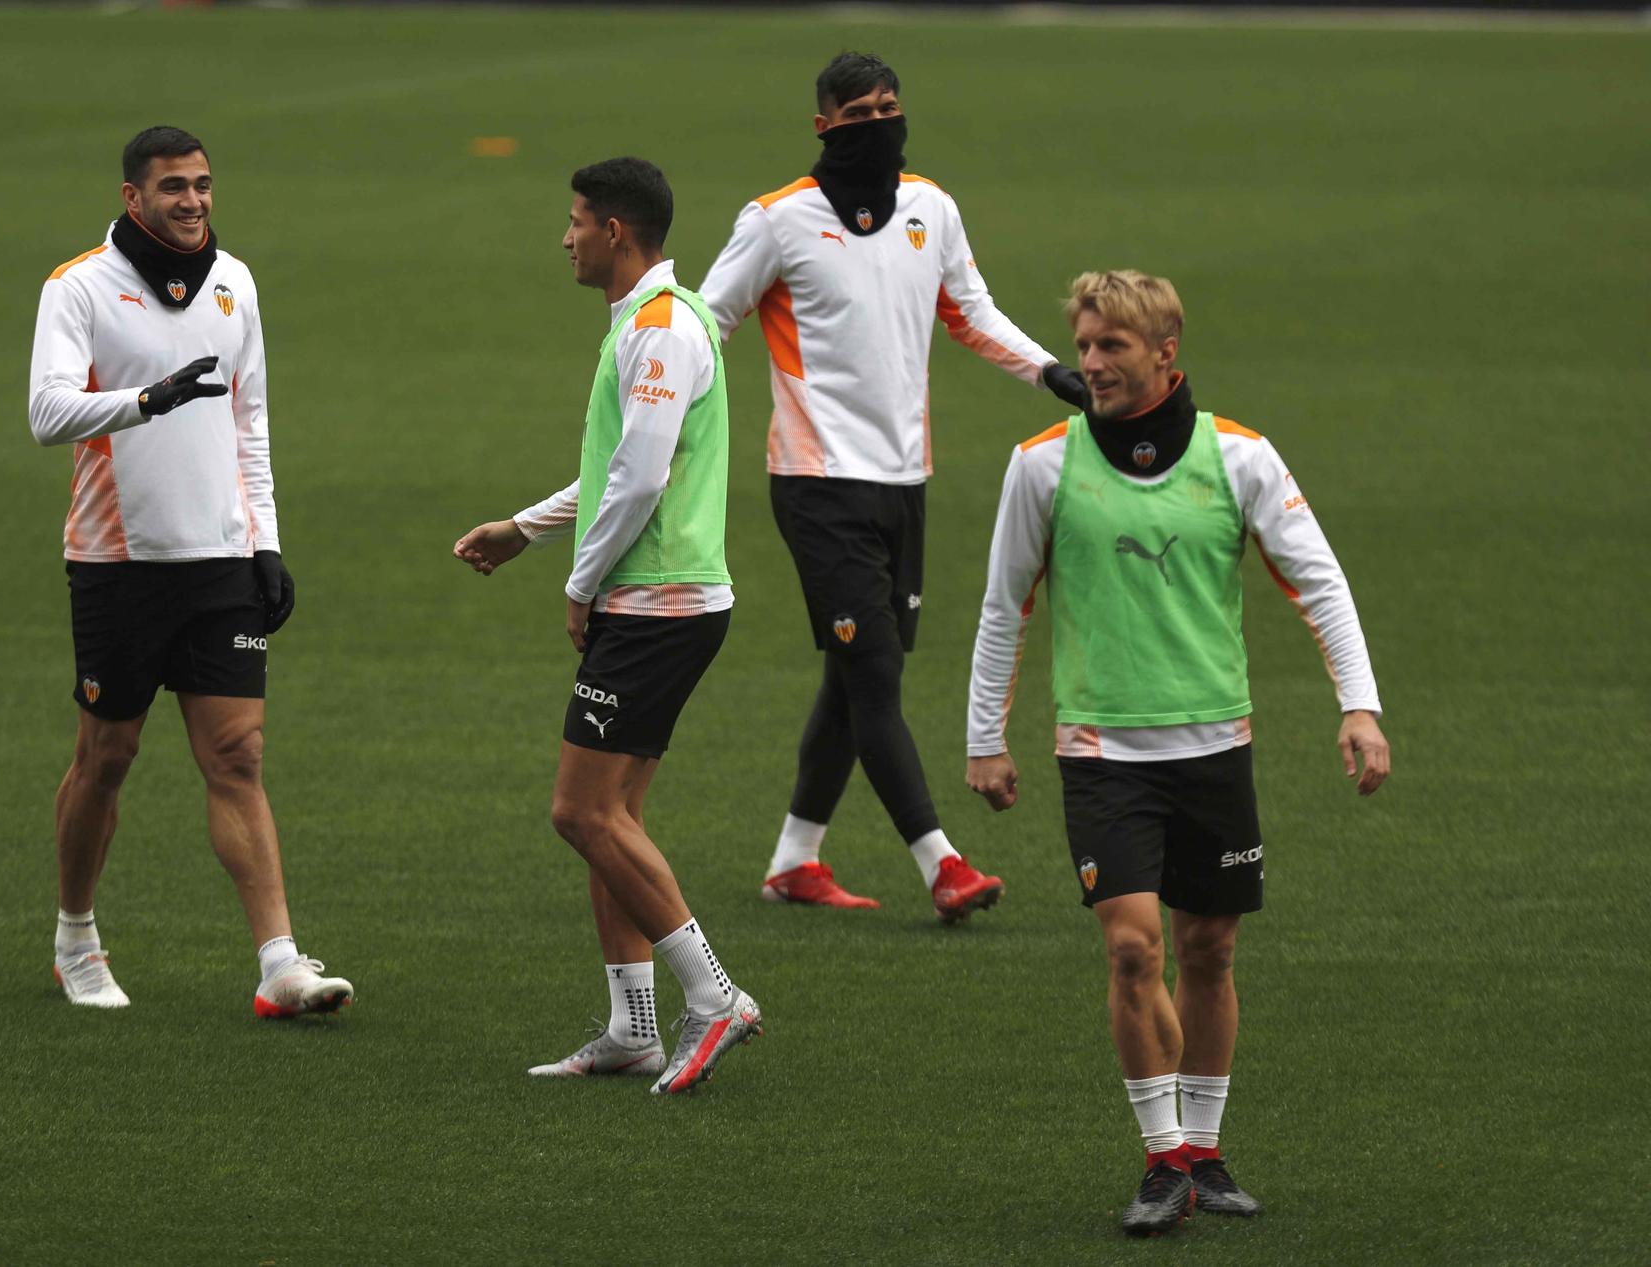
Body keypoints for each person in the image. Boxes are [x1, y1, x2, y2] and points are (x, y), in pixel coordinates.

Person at [965, 270, 1390, 1235]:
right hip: (1101, 752)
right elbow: (1004, 607)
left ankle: (1205, 1149)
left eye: (1112, 346)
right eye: (1083, 345)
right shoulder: (1041, 464)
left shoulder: (1240, 457)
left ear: (1165, 353)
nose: (1090, 363)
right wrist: (983, 738)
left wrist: (1357, 707)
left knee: (1209, 947)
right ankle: (1162, 1160)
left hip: (1215, 748)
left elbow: (1319, 583)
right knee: (1130, 948)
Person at [700, 51, 1088, 916]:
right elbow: (707, 321)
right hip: (816, 482)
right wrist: (668, 415)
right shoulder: (776, 222)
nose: (882, 121)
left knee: (852, 674)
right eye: (862, 110)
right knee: (874, 671)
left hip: (905, 481)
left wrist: (1052, 374)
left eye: (891, 106)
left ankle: (794, 860)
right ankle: (942, 864)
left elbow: (971, 313)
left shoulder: (932, 209)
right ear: (824, 125)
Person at [27, 125, 351, 1019]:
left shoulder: (235, 280)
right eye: (173, 187)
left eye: (203, 185)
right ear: (133, 198)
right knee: (108, 755)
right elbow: (47, 411)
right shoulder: (80, 286)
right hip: (118, 564)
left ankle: (279, 963)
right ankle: (75, 937)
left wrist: (266, 540)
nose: (194, 201)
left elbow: (251, 420)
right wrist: (144, 401)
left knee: (237, 754)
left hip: (220, 562)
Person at [453, 158, 761, 1094]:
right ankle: (634, 1026)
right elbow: (624, 465)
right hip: (666, 598)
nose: (567, 236)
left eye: (577, 220)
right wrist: (527, 530)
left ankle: (714, 999)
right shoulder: (657, 321)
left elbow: (641, 479)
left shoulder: (663, 331)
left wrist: (580, 584)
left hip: (657, 603)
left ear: (617, 231)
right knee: (612, 820)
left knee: (580, 810)